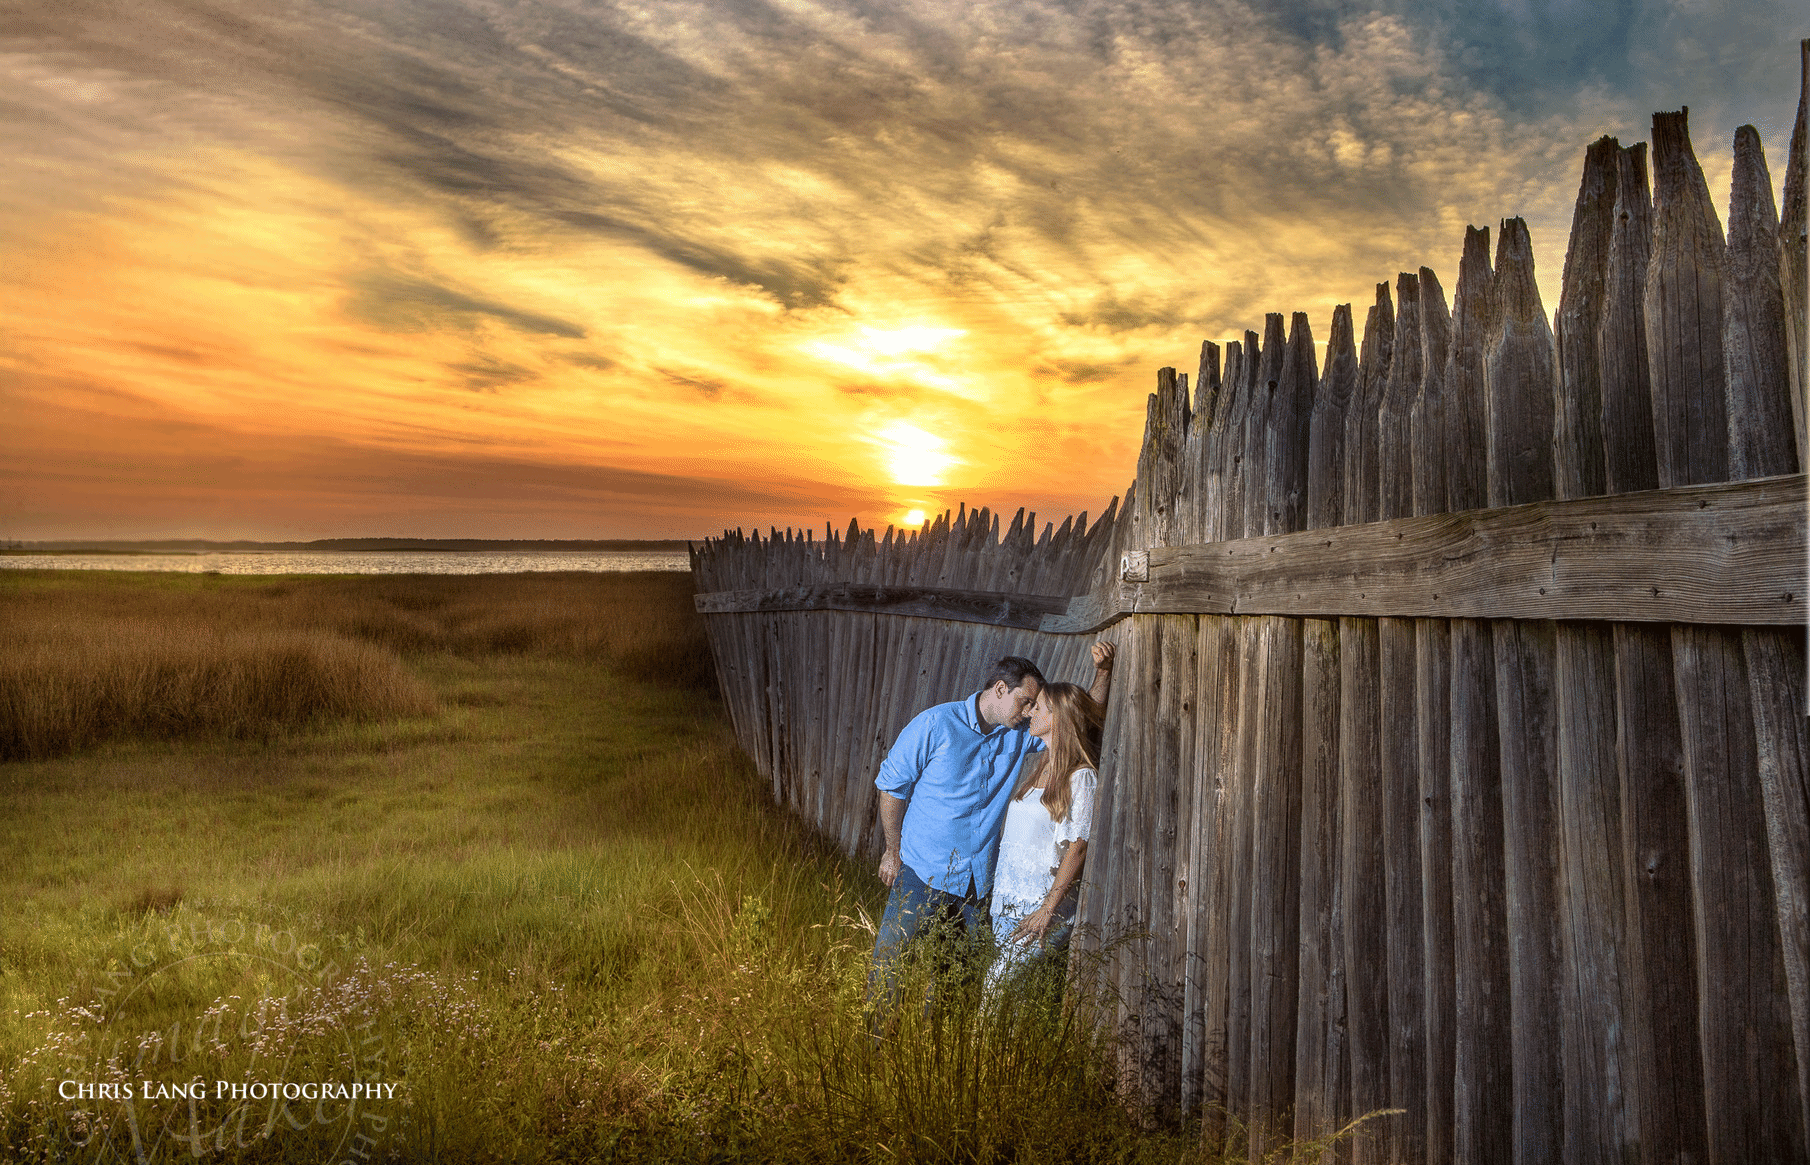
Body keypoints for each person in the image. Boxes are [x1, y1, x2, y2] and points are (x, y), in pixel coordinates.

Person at [869, 643, 1114, 1001]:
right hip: (922, 873)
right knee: (890, 969)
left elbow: (1079, 717)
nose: (1029, 712)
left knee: (953, 985)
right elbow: (892, 786)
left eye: (1034, 705)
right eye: (1025, 702)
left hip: (976, 886)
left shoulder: (1019, 734)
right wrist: (893, 851)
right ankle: (872, 1031)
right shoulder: (936, 724)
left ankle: (935, 1036)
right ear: (1000, 689)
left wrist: (1103, 673)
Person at [985, 680, 1103, 994]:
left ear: (1057, 718)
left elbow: (1078, 847)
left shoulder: (1081, 777)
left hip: (1041, 908)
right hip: (1008, 900)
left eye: (1037, 707)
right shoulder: (1043, 767)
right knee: (1014, 999)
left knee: (994, 987)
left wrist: (1047, 909)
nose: (1029, 712)